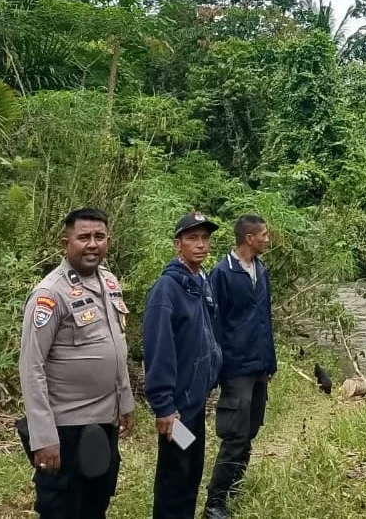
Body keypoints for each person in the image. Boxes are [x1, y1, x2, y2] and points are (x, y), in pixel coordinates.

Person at [18, 207, 135, 519]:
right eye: (84, 237)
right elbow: (31, 367)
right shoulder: (49, 294)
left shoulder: (109, 283)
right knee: (62, 508)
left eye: (100, 237)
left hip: (103, 422)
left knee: (96, 503)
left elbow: (117, 345)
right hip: (65, 428)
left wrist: (125, 401)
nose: (93, 244)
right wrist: (43, 437)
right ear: (66, 243)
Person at [143, 211, 224, 519]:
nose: (201, 244)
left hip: (196, 401)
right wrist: (164, 405)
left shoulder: (200, 282)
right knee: (174, 479)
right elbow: (158, 348)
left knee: (190, 473)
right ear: (178, 244)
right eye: (192, 238)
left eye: (205, 238)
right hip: (177, 408)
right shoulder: (167, 289)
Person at [204, 215, 277, 519]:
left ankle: (234, 488)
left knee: (249, 431)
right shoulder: (222, 274)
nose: (267, 239)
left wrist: (270, 361)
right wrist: (219, 367)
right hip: (236, 369)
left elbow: (265, 319)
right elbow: (213, 324)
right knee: (234, 435)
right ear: (249, 238)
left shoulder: (262, 270)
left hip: (259, 365)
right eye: (264, 234)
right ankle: (214, 503)